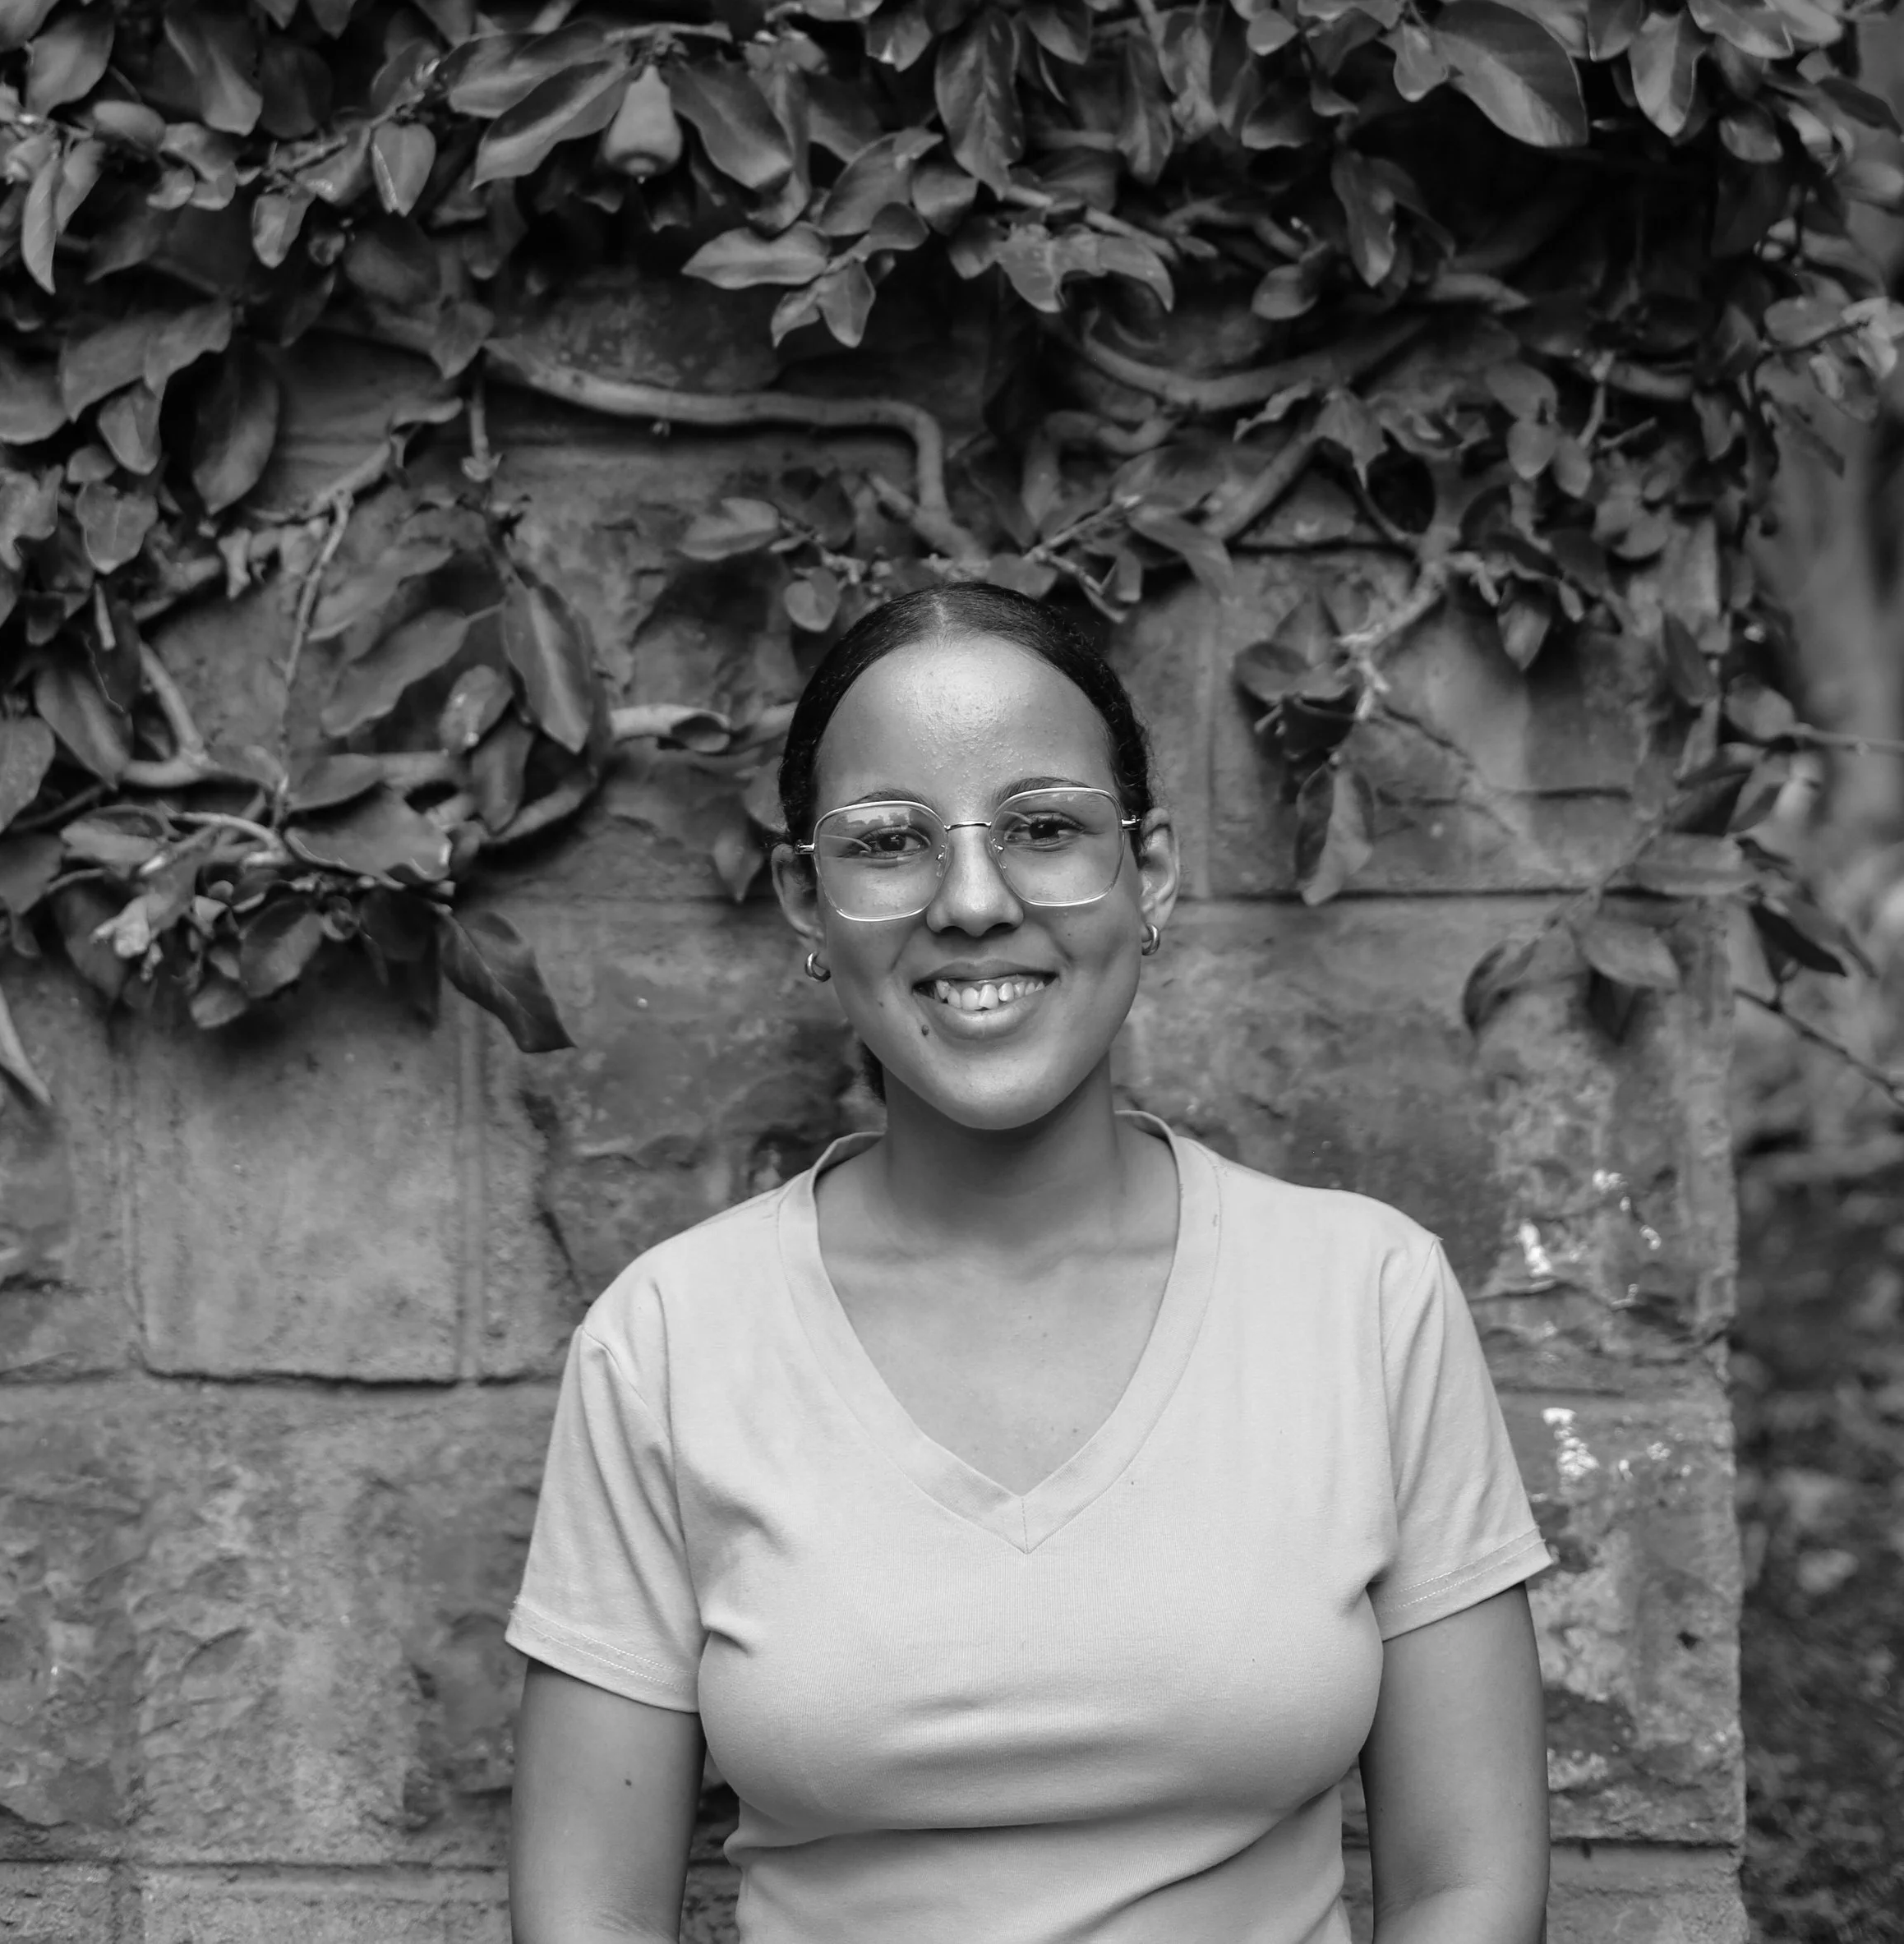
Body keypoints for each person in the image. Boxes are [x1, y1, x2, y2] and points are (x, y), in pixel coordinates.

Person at [505, 579, 1551, 1944]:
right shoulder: (668, 1342)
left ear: (1152, 871)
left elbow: (1471, 1886)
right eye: (887, 843)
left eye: (1047, 827)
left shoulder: (1365, 1300)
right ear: (806, 901)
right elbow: (586, 1916)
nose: (976, 899)